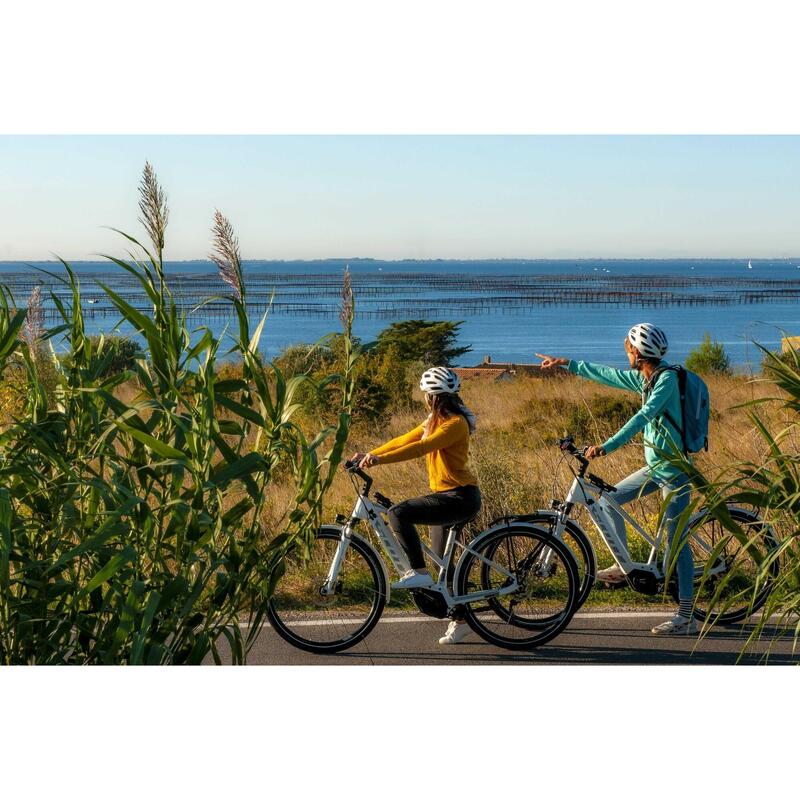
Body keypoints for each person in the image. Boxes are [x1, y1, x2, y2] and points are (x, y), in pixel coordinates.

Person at [537, 323, 696, 635]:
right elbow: (610, 375)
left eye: (628, 347)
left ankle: (687, 616)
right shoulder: (646, 379)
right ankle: (625, 569)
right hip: (657, 467)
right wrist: (568, 364)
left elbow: (642, 418)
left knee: (676, 543)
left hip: (674, 469)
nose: (626, 352)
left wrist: (606, 446)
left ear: (637, 352)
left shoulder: (663, 383)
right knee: (610, 500)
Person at [351, 366, 482, 645]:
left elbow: (421, 448)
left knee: (399, 513)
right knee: (444, 567)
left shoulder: (454, 424)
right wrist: (372, 453)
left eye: (425, 394)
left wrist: (380, 461)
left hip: (459, 497)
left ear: (433, 397)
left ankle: (419, 574)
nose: (424, 398)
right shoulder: (433, 420)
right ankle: (461, 621)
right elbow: (406, 439)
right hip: (450, 496)